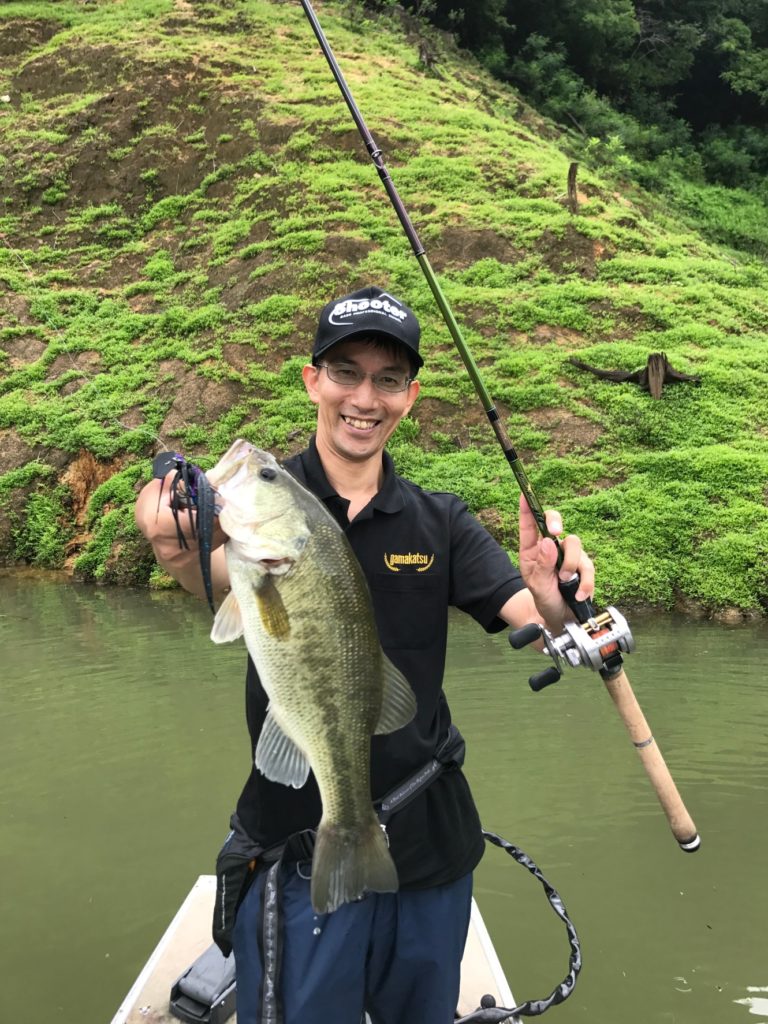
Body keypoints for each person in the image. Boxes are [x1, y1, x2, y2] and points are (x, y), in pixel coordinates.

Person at [135, 284, 594, 1024]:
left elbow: (538, 622)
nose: (364, 397)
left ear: (409, 396)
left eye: (387, 379)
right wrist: (171, 533)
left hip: (430, 842)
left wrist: (552, 598)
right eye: (345, 371)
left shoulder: (438, 520)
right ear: (312, 378)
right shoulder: (265, 519)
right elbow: (196, 566)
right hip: (294, 842)